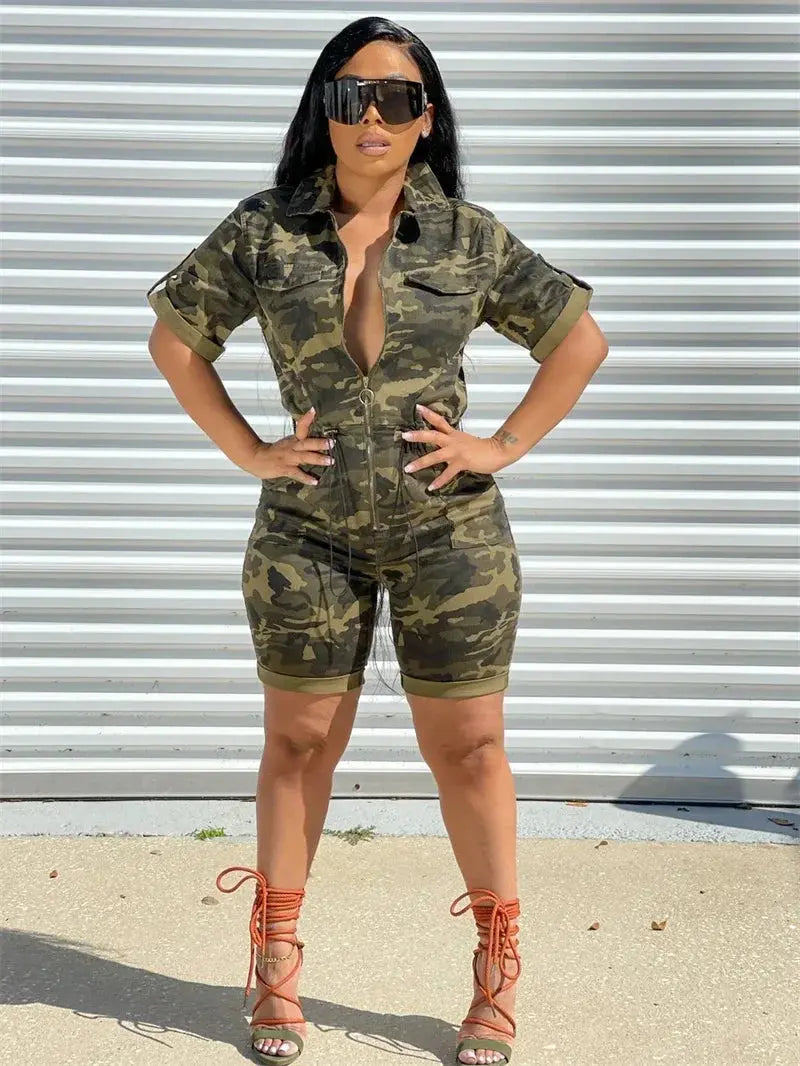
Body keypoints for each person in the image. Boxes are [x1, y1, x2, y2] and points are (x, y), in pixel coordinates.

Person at [145, 16, 608, 1066]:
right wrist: (249, 451)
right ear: (325, 108)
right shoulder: (265, 231)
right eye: (350, 95)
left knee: (471, 748)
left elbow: (579, 341)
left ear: (424, 117)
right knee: (298, 743)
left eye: (395, 99)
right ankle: (275, 961)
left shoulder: (467, 237)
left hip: (451, 533)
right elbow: (175, 343)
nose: (371, 117)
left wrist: (500, 445)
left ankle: (495, 969)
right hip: (306, 534)